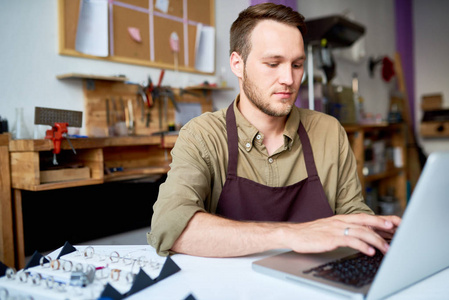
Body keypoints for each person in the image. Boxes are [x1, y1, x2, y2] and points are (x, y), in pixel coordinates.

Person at [148, 3, 401, 258]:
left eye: (297, 64)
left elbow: (352, 213)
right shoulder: (202, 136)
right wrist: (290, 234)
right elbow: (170, 226)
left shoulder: (328, 132)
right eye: (272, 63)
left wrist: (381, 230)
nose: (289, 80)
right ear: (237, 64)